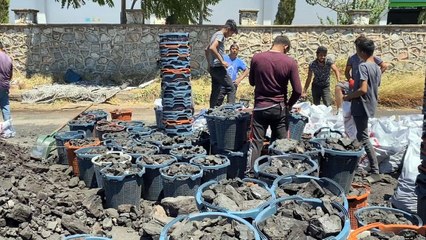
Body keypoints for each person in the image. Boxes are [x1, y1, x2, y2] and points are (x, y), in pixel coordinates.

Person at [248, 35, 302, 172]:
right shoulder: (290, 62)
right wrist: (289, 105)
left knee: (256, 143)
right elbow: (297, 91)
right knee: (280, 144)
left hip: (260, 107)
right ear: (285, 46)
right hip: (279, 109)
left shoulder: (257, 58)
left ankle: (252, 175)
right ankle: (277, 174)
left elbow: (252, 82)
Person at [343, 38, 381, 183]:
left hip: (361, 104)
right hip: (370, 104)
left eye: (358, 51)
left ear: (363, 52)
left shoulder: (364, 66)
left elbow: (363, 89)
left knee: (363, 137)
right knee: (360, 136)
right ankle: (353, 165)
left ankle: (375, 171)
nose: (357, 53)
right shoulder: (377, 67)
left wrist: (348, 96)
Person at [335, 35, 387, 113]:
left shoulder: (371, 58)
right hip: (353, 82)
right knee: (338, 86)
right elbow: (347, 72)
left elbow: (384, 66)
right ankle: (339, 110)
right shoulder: (352, 58)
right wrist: (350, 79)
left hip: (364, 83)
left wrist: (374, 76)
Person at [205, 19, 238, 108]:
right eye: (231, 33)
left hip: (213, 68)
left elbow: (206, 49)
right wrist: (222, 61)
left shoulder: (215, 34)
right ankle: (231, 112)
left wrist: (209, 64)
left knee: (215, 90)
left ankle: (211, 111)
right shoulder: (220, 35)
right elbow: (212, 48)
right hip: (218, 68)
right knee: (231, 88)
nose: (230, 35)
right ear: (228, 29)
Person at [0, 41, 15, 138]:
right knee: (5, 106)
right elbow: (10, 75)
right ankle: (8, 130)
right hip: (4, 86)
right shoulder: (8, 58)